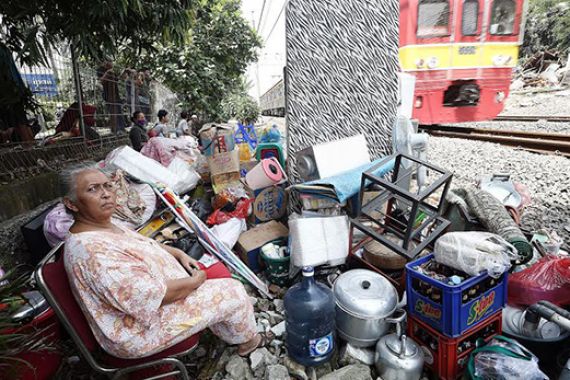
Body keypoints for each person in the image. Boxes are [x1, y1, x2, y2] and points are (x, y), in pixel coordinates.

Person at [60, 163, 269, 359]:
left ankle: (226, 330)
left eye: (107, 185)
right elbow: (152, 298)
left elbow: (144, 243)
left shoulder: (103, 225)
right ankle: (249, 343)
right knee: (233, 290)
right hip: (137, 332)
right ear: (71, 203)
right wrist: (196, 281)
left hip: (149, 304)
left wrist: (178, 254)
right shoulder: (94, 254)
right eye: (93, 189)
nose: (106, 193)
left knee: (212, 271)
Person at [96, 61, 126, 133]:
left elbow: (118, 79)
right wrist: (108, 73)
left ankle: (121, 129)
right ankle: (115, 129)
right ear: (106, 62)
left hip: (116, 94)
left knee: (119, 112)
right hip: (108, 95)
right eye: (111, 62)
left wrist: (124, 71)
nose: (112, 64)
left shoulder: (112, 71)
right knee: (112, 111)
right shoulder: (101, 70)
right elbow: (101, 81)